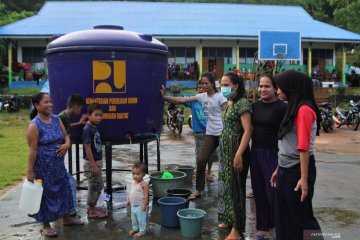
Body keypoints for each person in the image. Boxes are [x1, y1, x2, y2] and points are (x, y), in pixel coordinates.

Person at [270, 70, 322, 240]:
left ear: (291, 88)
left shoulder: (304, 110)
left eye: (280, 88)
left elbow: (303, 147)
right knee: (283, 216)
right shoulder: (293, 107)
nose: (278, 91)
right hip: (286, 168)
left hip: (298, 170)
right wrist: (279, 168)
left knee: (302, 218)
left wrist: (304, 179)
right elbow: (288, 144)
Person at [160, 71, 227, 197]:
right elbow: (181, 99)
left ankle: (229, 189)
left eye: (207, 83)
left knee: (226, 162)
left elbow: (229, 111)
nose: (204, 85)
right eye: (202, 83)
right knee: (201, 161)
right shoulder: (202, 97)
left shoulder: (220, 97)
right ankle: (199, 190)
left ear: (213, 84)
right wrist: (165, 97)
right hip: (210, 134)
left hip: (223, 133)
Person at [27, 92, 84, 238]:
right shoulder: (34, 125)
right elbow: (32, 150)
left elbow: (66, 136)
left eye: (50, 101)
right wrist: (30, 171)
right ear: (37, 105)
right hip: (43, 168)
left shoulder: (56, 119)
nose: (50, 105)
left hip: (58, 165)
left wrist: (66, 145)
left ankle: (67, 218)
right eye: (46, 102)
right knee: (46, 194)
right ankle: (46, 226)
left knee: (64, 189)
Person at [249, 75, 287, 239]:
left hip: (274, 154)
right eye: (261, 86)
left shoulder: (283, 108)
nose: (263, 89)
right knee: (259, 191)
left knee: (274, 193)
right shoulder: (254, 107)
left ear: (275, 88)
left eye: (267, 86)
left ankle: (281, 226)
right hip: (256, 152)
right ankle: (263, 227)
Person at [217, 71, 252, 240]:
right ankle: (227, 219)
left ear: (235, 86)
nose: (222, 87)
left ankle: (237, 230)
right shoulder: (228, 103)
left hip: (236, 151)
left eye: (225, 85)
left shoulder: (242, 104)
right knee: (225, 185)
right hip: (224, 151)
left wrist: (239, 154)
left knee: (236, 189)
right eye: (221, 85)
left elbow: (248, 131)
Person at [58, 94, 87, 216]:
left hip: (59, 157)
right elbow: (59, 132)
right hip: (57, 157)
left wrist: (79, 123)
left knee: (66, 183)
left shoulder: (65, 116)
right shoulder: (61, 117)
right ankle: (70, 212)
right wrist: (66, 142)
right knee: (71, 183)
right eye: (80, 109)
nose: (80, 111)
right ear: (75, 106)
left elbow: (65, 128)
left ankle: (66, 210)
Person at [185, 81, 218, 183]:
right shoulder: (193, 101)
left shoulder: (211, 99)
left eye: (203, 88)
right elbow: (181, 100)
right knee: (200, 156)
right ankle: (201, 174)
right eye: (199, 87)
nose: (201, 89)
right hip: (199, 132)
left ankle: (208, 172)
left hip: (211, 132)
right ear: (196, 89)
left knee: (211, 154)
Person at [82, 103, 108, 219]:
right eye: (96, 115)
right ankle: (92, 211)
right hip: (91, 163)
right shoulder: (87, 129)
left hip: (96, 162)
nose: (99, 118)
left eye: (101, 115)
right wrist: (93, 165)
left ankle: (92, 207)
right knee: (93, 186)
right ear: (89, 115)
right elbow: (87, 148)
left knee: (98, 185)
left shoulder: (94, 127)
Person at [127, 162, 149, 238]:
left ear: (144, 174)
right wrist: (128, 200)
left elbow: (146, 195)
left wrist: (144, 205)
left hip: (140, 206)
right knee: (134, 219)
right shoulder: (133, 182)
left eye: (138, 174)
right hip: (133, 205)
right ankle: (135, 228)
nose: (135, 176)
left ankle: (142, 231)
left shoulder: (144, 184)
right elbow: (131, 192)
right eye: (133, 173)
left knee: (141, 219)